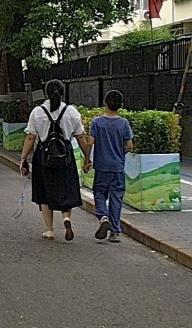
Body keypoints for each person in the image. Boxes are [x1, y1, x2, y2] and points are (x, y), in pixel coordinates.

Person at [19, 79, 91, 241]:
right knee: (65, 189)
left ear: (46, 94)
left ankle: (49, 230)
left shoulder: (37, 112)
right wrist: (87, 157)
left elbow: (31, 137)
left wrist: (23, 157)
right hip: (65, 156)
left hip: (43, 157)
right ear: (63, 93)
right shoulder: (71, 111)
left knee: (44, 192)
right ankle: (66, 218)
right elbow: (80, 137)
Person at [87, 89, 134, 243]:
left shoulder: (97, 122)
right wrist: (121, 153)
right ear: (121, 105)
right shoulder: (124, 123)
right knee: (116, 198)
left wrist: (87, 159)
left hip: (101, 166)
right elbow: (129, 145)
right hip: (117, 166)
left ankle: (103, 216)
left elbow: (90, 142)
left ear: (104, 103)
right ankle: (115, 232)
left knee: (99, 193)